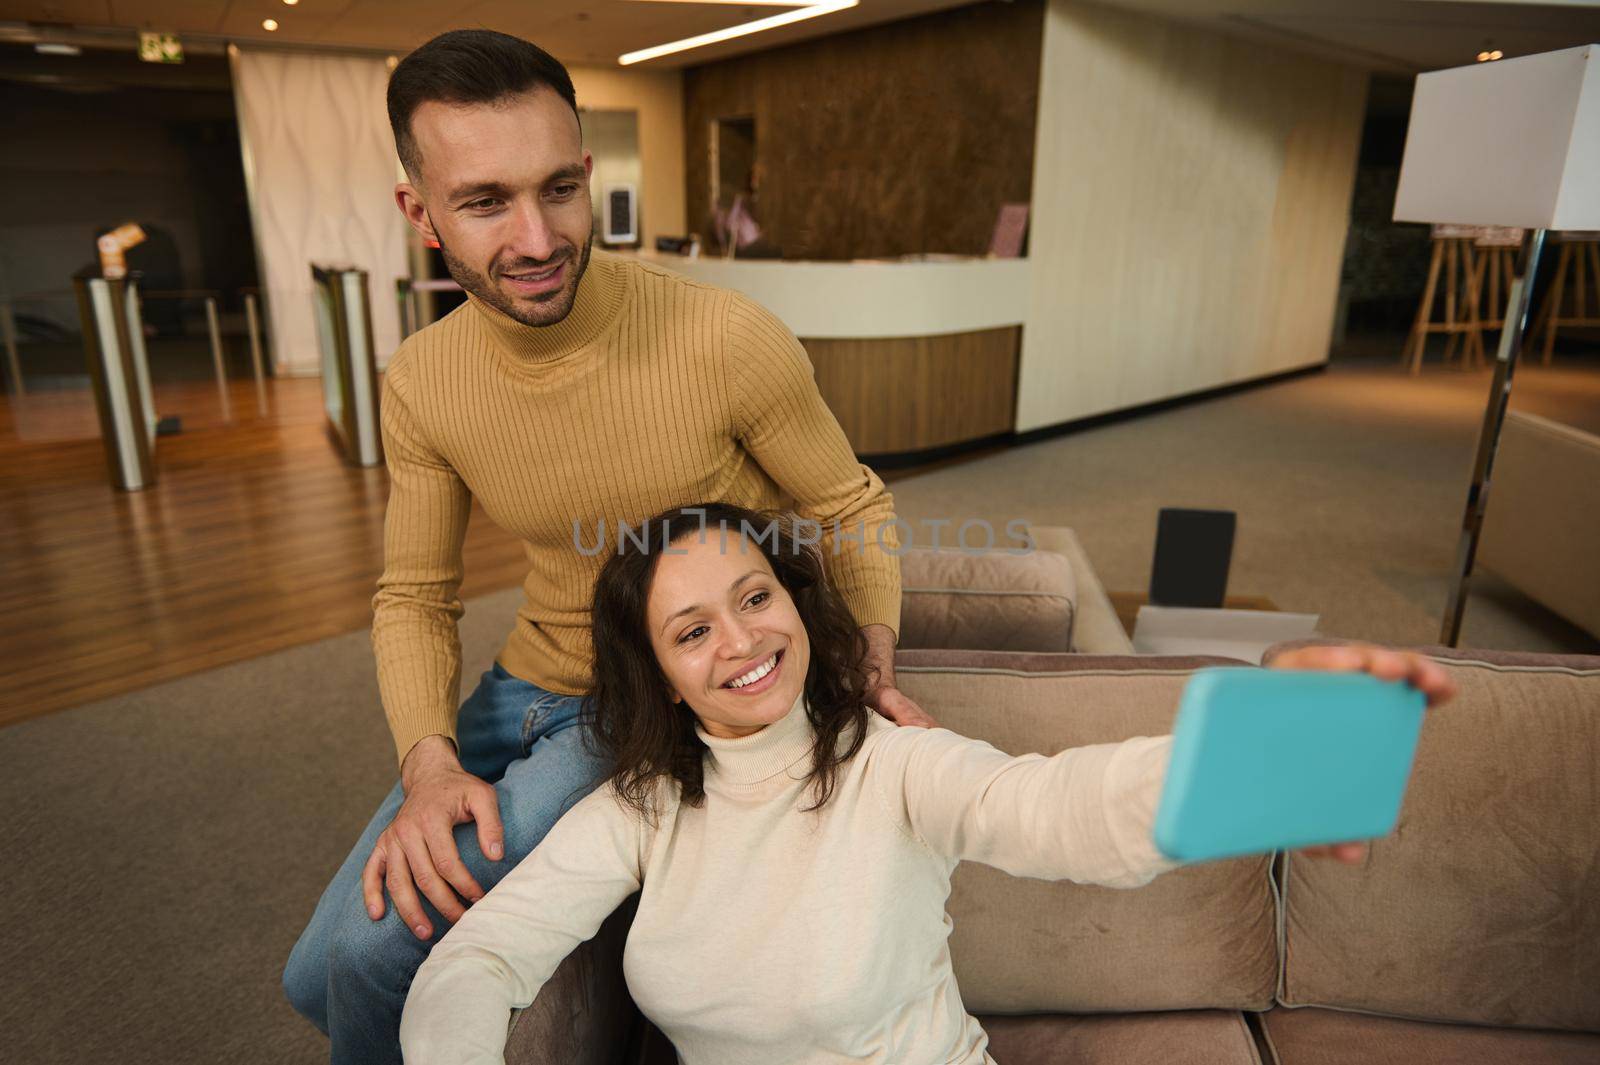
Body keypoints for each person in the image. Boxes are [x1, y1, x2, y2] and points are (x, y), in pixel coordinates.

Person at [281, 30, 929, 1063]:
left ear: (589, 176)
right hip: (517, 687)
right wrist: (429, 761)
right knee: (307, 974)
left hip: (638, 690)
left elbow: (849, 505)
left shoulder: (723, 337)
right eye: (486, 202)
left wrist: (873, 645)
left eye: (559, 190)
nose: (537, 239)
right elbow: (412, 595)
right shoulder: (422, 380)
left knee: (368, 955)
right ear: (421, 212)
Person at [399, 503, 1458, 1064]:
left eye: (754, 595)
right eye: (691, 630)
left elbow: (1055, 812)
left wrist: (1252, 755)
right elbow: (482, 956)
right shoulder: (638, 812)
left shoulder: (894, 763)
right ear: (664, 682)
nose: (741, 640)